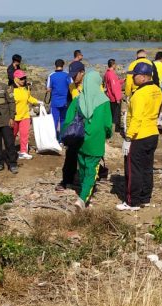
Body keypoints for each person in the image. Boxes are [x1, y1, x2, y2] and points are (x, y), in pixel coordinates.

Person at [63, 71, 112, 210]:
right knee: (92, 169)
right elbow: (107, 124)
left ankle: (83, 192)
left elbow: (68, 120)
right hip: (95, 140)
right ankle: (83, 198)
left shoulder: (78, 100)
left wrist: (66, 138)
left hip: (79, 139)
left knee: (83, 166)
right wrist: (107, 135)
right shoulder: (104, 101)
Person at [118, 62, 162, 211]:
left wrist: (128, 138)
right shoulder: (157, 90)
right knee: (147, 167)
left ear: (143, 77)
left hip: (139, 135)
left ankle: (132, 201)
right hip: (152, 133)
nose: (132, 78)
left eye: (134, 75)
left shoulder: (139, 94)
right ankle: (145, 197)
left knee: (133, 169)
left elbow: (136, 118)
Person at [58, 62, 86, 191]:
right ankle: (67, 180)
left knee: (86, 153)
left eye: (76, 75)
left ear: (82, 72)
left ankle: (88, 180)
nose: (74, 78)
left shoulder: (91, 86)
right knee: (71, 153)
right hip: (75, 125)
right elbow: (69, 106)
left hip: (87, 123)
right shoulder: (71, 87)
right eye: (72, 75)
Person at [12, 70, 41, 160]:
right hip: (15, 117)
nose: (23, 80)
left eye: (24, 78)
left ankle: (23, 152)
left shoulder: (26, 88)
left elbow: (28, 97)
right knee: (12, 135)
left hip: (25, 115)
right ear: (15, 79)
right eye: (21, 78)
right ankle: (10, 151)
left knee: (24, 134)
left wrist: (37, 102)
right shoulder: (11, 89)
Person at [46, 59, 72, 138]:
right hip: (65, 101)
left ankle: (53, 138)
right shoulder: (67, 75)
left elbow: (48, 89)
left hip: (55, 102)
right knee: (63, 120)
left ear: (55, 65)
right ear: (63, 65)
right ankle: (62, 139)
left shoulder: (51, 75)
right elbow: (71, 85)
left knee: (54, 120)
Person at [103, 59, 123, 133]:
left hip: (111, 96)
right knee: (116, 114)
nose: (116, 65)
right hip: (114, 97)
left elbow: (115, 83)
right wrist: (117, 98)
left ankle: (114, 128)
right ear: (113, 65)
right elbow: (113, 86)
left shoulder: (107, 73)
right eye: (115, 64)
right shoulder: (111, 74)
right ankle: (116, 130)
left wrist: (122, 80)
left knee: (113, 112)